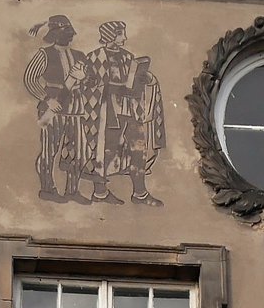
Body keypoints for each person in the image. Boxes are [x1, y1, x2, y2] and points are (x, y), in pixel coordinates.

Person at [81, 20, 165, 204]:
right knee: (105, 151)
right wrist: (110, 88)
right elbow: (87, 87)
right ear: (110, 35)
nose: (124, 38)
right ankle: (100, 193)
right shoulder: (94, 57)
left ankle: (140, 193)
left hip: (130, 110)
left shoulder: (128, 57)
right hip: (106, 113)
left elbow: (134, 81)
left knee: (139, 150)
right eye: (120, 34)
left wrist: (146, 77)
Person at [21, 15, 93, 201]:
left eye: (69, 32)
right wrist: (46, 99)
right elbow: (30, 79)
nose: (68, 36)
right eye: (63, 32)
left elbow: (92, 81)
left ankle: (72, 190)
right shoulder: (45, 54)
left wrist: (82, 77)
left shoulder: (79, 56)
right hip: (53, 106)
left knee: (80, 151)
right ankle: (48, 189)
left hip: (75, 107)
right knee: (49, 150)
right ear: (54, 34)